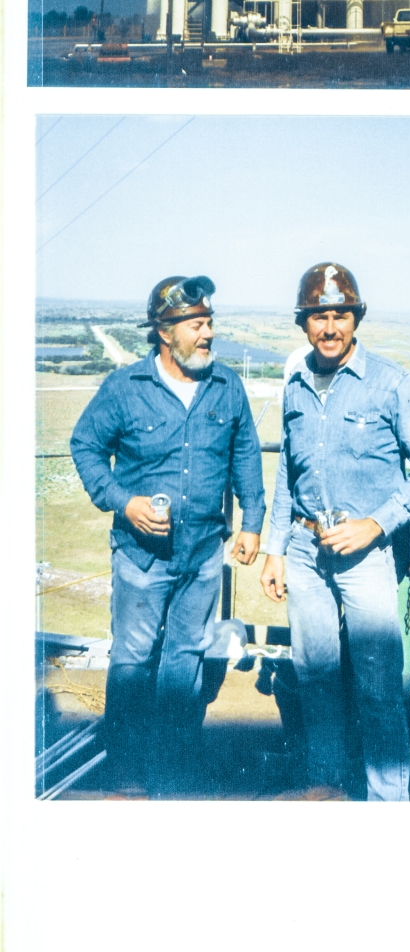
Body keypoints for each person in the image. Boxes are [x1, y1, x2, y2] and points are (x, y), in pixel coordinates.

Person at [70, 276, 265, 796]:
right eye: (197, 325)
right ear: (165, 331)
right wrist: (123, 501)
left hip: (203, 555)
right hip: (141, 558)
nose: (208, 335)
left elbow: (245, 452)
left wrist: (252, 522)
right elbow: (85, 445)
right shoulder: (125, 388)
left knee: (185, 657)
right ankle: (127, 769)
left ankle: (174, 764)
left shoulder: (227, 385)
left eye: (209, 324)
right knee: (133, 658)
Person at [260, 263, 410, 800]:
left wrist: (375, 524)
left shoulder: (392, 384)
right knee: (315, 678)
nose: (331, 326)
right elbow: (287, 476)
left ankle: (387, 803)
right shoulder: (295, 385)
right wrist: (275, 549)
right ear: (304, 324)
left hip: (365, 556)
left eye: (341, 314)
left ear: (356, 318)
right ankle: (326, 790)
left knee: (378, 686)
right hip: (303, 548)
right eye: (319, 316)